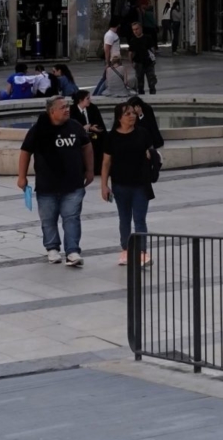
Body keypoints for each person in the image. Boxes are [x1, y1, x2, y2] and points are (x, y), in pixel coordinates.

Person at [16, 96, 94, 267]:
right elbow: (25, 152)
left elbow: (86, 146)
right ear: (51, 111)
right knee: (48, 219)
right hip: (47, 185)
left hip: (73, 183)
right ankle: (52, 248)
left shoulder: (75, 126)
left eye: (67, 106)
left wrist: (89, 170)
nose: (67, 109)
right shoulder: (38, 130)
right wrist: (22, 176)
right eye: (62, 107)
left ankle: (72, 251)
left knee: (71, 217)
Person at [101, 98, 158, 265]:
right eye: (127, 114)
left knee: (140, 219)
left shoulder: (142, 133)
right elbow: (106, 162)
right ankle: (125, 250)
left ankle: (142, 252)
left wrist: (151, 156)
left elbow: (152, 152)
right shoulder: (111, 137)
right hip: (120, 184)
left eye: (133, 113)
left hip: (140, 184)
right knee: (124, 218)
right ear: (119, 117)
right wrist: (104, 185)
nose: (132, 116)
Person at [128, 19, 158, 94]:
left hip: (148, 63)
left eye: (137, 29)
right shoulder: (133, 40)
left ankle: (153, 96)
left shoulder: (148, 38)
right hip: (138, 64)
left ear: (141, 28)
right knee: (139, 84)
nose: (135, 31)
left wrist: (153, 59)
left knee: (152, 82)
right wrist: (131, 62)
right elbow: (130, 52)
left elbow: (152, 49)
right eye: (133, 30)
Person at [95, 19, 123, 96]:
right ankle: (96, 95)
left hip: (114, 59)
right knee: (105, 79)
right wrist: (107, 62)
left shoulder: (112, 34)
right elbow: (107, 49)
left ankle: (96, 94)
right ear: (117, 25)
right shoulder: (110, 35)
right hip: (112, 61)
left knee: (105, 78)